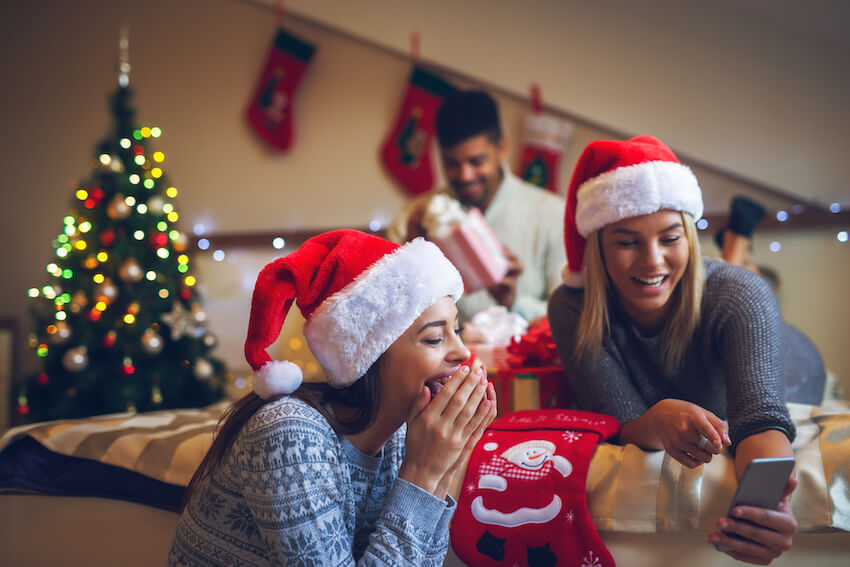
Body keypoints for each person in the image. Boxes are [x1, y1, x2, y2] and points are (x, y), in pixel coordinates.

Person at [547, 136, 825, 564]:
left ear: (689, 239)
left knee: (744, 288)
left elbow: (761, 419)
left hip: (792, 368)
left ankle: (738, 239)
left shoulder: (740, 294)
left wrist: (767, 504)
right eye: (627, 242)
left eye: (670, 238)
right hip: (693, 376)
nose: (652, 260)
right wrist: (654, 422)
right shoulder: (571, 306)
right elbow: (621, 420)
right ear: (598, 246)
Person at [169, 229, 497, 567]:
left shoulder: (402, 434)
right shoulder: (291, 436)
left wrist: (445, 465)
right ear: (371, 355)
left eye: (456, 331)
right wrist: (423, 473)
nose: (462, 352)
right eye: (434, 339)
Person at [387, 90, 565, 323]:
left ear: (502, 149)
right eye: (451, 163)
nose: (465, 176)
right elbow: (389, 313)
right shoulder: (412, 217)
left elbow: (570, 316)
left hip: (520, 355)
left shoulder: (552, 214)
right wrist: (414, 254)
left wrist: (514, 302)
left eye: (476, 162)